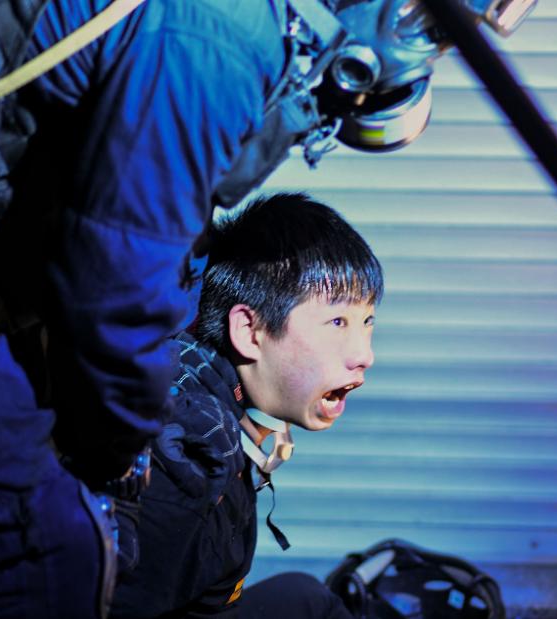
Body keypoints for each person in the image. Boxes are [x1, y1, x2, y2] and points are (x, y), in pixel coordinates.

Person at [0, 0, 534, 616]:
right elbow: (117, 284)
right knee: (43, 552)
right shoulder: (222, 32)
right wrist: (111, 460)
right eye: (431, 25)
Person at [110, 192, 382, 619]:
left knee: (307, 598)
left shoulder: (210, 393)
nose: (364, 354)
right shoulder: (186, 464)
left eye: (367, 322)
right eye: (337, 322)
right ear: (249, 330)